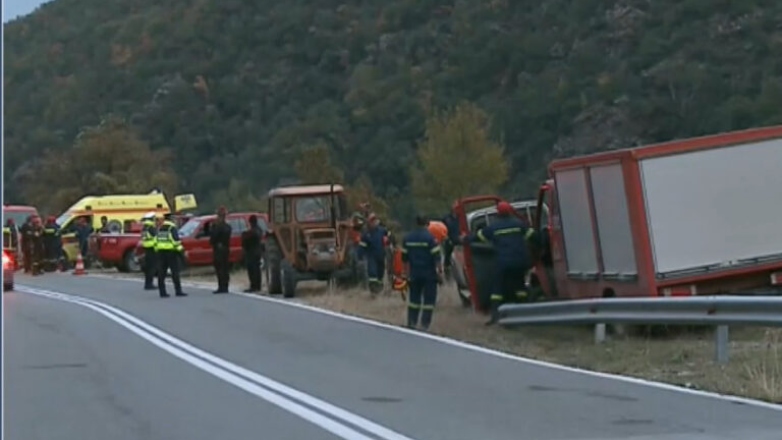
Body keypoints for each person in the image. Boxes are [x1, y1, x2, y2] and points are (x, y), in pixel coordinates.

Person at [462, 201, 536, 325]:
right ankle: (524, 314)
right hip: (520, 262)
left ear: (498, 214)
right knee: (520, 287)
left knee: (497, 290)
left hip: (504, 262)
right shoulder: (519, 224)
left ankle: (495, 316)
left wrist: (464, 239)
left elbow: (478, 238)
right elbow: (533, 237)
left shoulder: (494, 227)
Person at [401, 215, 443, 331]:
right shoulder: (431, 238)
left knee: (414, 300)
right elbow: (437, 258)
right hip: (429, 275)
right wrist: (440, 273)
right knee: (429, 301)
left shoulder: (407, 238)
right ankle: (424, 325)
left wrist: (406, 274)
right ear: (427, 224)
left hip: (414, 274)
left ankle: (411, 323)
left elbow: (404, 259)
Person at [155, 213, 187, 298]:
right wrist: (182, 252)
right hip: (171, 252)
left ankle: (162, 292)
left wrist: (157, 250)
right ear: (171, 220)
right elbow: (176, 241)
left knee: (161, 273)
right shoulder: (171, 228)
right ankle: (178, 291)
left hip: (160, 253)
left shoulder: (160, 228)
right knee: (175, 272)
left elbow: (156, 240)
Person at [358, 213, 389, 293]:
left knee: (380, 273)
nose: (373, 223)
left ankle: (380, 288)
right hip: (372, 256)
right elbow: (362, 246)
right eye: (371, 221)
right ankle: (373, 290)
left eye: (374, 221)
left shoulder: (382, 230)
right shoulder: (366, 234)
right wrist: (360, 256)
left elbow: (389, 237)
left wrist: (390, 243)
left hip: (381, 255)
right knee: (372, 273)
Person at [209, 206, 232, 294]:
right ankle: (225, 286)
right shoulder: (228, 227)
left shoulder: (218, 227)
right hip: (225, 249)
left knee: (220, 268)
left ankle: (222, 286)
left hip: (219, 249)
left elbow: (213, 237)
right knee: (225, 268)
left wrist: (213, 229)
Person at [241, 215, 265, 293]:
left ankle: (254, 286)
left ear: (250, 222)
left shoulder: (252, 232)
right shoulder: (259, 230)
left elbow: (245, 239)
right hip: (257, 251)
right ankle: (258, 285)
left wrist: (244, 235)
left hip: (251, 252)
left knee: (252, 270)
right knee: (257, 270)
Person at [140, 212, 158, 290]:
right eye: (154, 218)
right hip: (152, 248)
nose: (155, 220)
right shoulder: (151, 227)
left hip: (146, 248)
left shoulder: (144, 227)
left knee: (148, 268)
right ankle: (149, 284)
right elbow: (156, 238)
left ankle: (147, 284)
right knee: (152, 267)